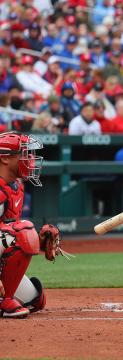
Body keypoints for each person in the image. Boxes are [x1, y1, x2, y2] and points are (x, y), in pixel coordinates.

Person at [0, 132, 66, 318]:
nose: (30, 159)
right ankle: (4, 304)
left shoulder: (16, 186)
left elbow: (7, 232)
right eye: (24, 154)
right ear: (5, 158)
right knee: (24, 229)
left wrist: (39, 240)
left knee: (35, 300)